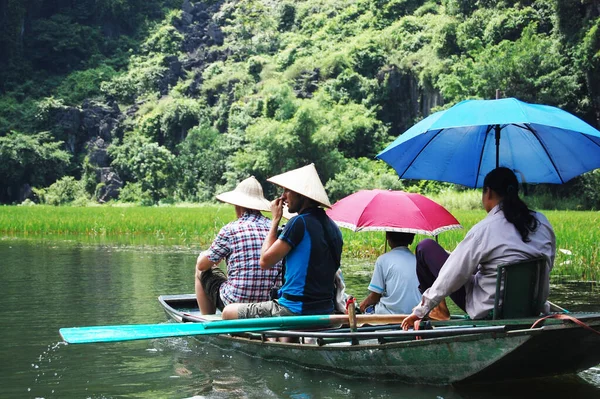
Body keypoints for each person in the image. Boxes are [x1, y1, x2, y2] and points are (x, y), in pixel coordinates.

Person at [401, 167, 556, 330]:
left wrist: (420, 310)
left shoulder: (485, 229)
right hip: (531, 309)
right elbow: (548, 265)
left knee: (426, 247)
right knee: (469, 264)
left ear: (488, 192)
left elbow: (453, 274)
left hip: (492, 311)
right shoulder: (542, 222)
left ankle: (435, 310)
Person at [222, 163, 343, 319]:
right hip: (325, 309)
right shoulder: (333, 227)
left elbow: (265, 261)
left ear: (302, 195)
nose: (283, 197)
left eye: (287, 191)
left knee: (228, 311)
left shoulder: (299, 223)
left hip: (294, 309)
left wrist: (275, 220)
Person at [195, 176, 282, 315]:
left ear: (238, 205)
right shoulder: (275, 229)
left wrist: (213, 258)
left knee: (200, 266)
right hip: (269, 304)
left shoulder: (230, 229)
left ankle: (208, 320)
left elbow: (202, 265)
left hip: (234, 304)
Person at [359, 232, 421, 315]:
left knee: (367, 309)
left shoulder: (382, 260)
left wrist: (362, 305)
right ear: (412, 240)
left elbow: (375, 296)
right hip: (415, 314)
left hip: (389, 315)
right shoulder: (419, 261)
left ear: (387, 237)